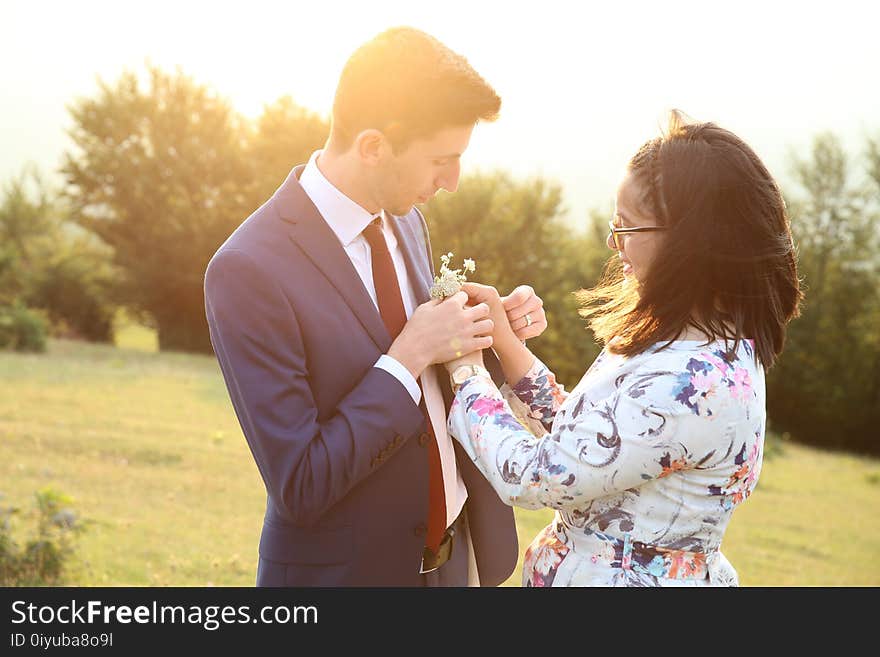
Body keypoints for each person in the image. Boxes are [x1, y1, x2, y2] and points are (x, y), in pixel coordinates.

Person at [203, 27, 548, 586]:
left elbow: (434, 389)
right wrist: (405, 357)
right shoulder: (247, 270)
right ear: (372, 146)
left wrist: (491, 331)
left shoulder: (408, 221)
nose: (453, 182)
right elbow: (301, 482)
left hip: (452, 565)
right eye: (442, 159)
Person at [444, 110, 803, 586]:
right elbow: (596, 441)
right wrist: (507, 345)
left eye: (627, 228)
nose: (615, 245)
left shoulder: (692, 384)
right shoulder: (692, 343)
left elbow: (537, 475)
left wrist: (467, 371)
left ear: (690, 242)